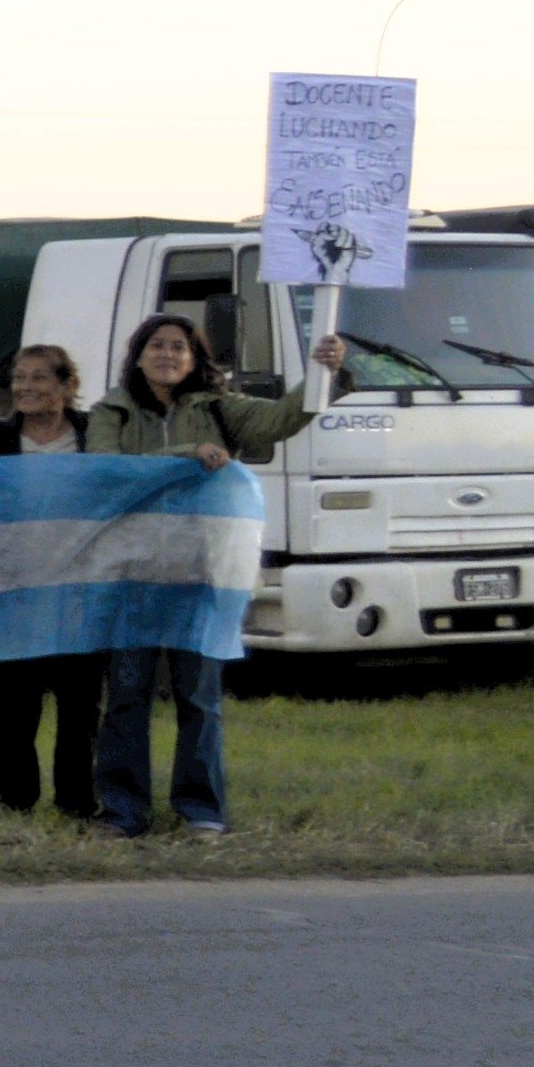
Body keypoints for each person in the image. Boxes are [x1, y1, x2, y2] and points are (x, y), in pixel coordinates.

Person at [82, 312, 338, 838]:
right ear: (139, 354)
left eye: (180, 347)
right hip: (130, 578)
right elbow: (108, 472)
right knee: (127, 698)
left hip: (202, 577)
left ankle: (201, 810)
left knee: (199, 700)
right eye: (157, 345)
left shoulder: (220, 409)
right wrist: (187, 456)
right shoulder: (111, 411)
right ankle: (122, 812)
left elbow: (282, 420)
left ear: (195, 358)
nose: (168, 355)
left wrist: (325, 373)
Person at [0, 343, 101, 817]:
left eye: (38, 378)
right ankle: (15, 800)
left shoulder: (95, 436)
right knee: (15, 704)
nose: (25, 387)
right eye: (19, 378)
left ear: (67, 386)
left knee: (80, 704)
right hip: (14, 591)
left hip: (80, 592)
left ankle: (77, 802)